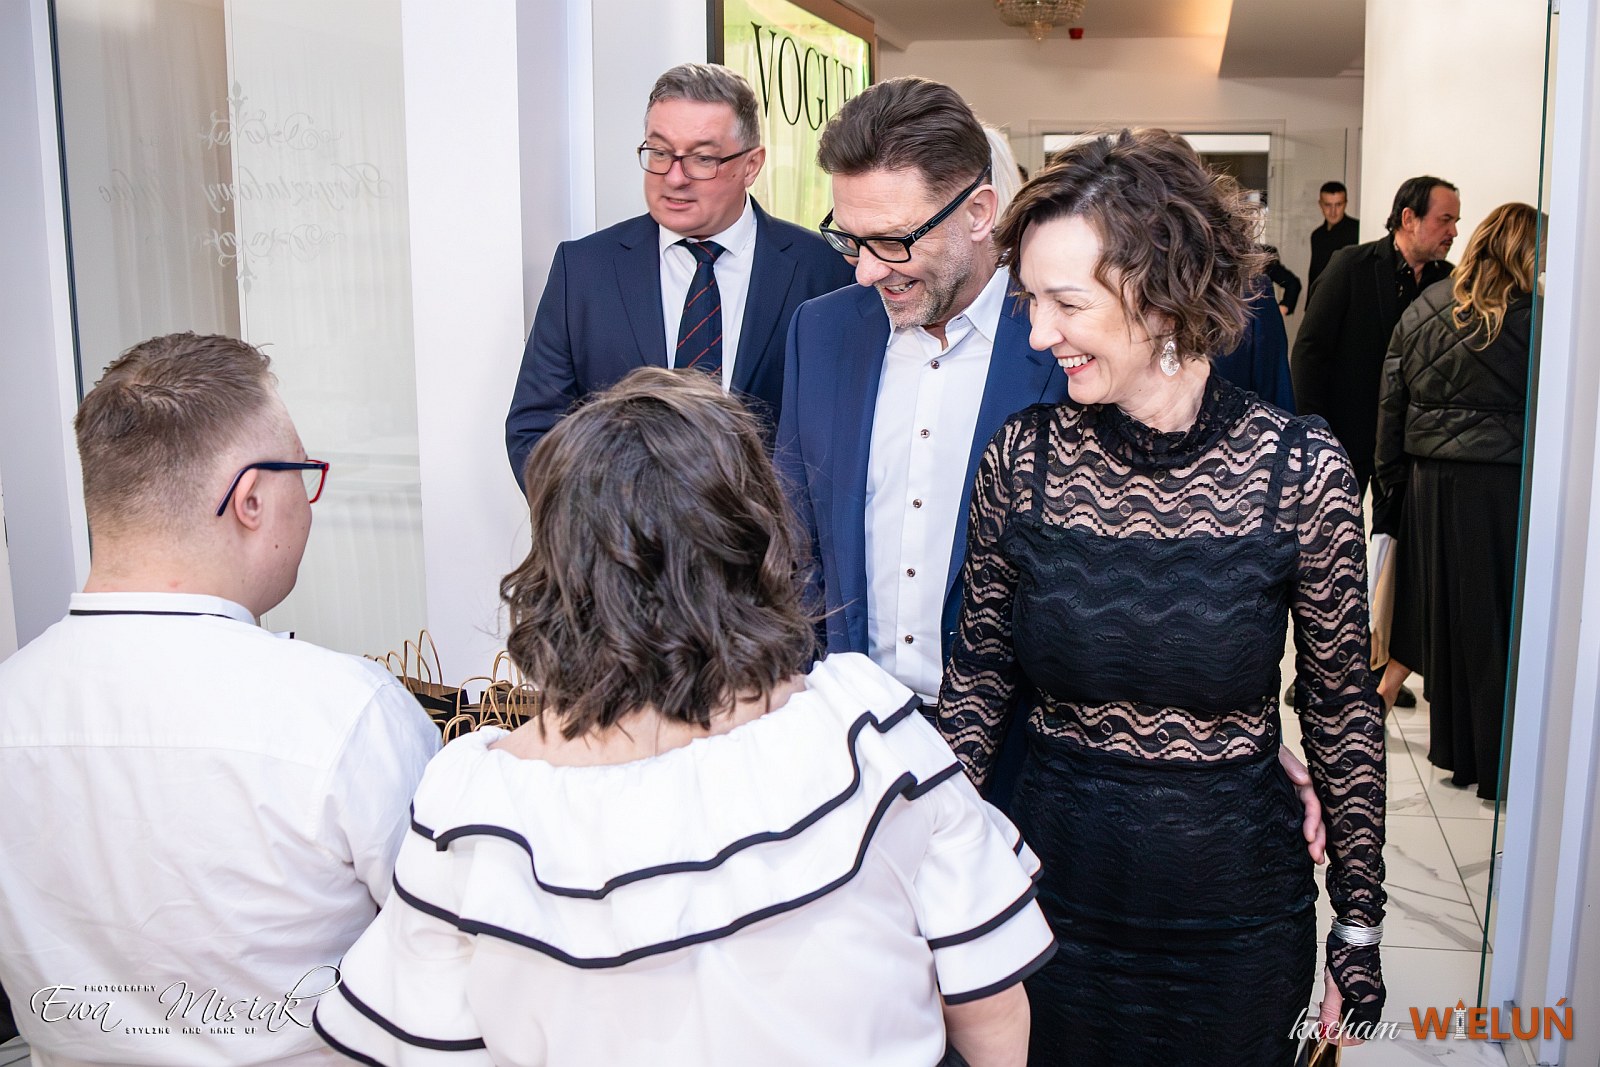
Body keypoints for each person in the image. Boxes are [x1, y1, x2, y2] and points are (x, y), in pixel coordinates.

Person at [315, 368, 1056, 1067]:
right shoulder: (865, 728)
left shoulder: (472, 808)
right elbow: (988, 1005)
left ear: (561, 567)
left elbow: (431, 1046)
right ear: (752, 540)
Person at [938, 130, 1388, 1066]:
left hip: (1236, 922)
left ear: (1162, 293)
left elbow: (1343, 708)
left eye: (1067, 303)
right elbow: (977, 682)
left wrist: (1358, 923)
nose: (1038, 334)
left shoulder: (1298, 471)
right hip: (1049, 906)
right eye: (1031, 301)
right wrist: (927, 874)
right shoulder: (1023, 461)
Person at [0, 333, 439, 1065]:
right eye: (304, 472)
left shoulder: (10, 705)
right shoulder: (346, 715)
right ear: (251, 499)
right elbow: (449, 955)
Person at [504, 62, 853, 485]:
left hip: (773, 526)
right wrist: (602, 519)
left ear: (751, 165)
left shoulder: (826, 270)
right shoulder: (583, 269)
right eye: (660, 152)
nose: (674, 178)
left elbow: (842, 434)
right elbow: (536, 430)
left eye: (702, 158)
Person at [1373, 203, 1541, 801]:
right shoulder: (1538, 318)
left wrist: (1390, 488)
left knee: (1447, 619)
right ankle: (1500, 763)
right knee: (1499, 624)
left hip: (1431, 484)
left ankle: (1460, 755)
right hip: (1506, 484)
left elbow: (1392, 401)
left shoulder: (1427, 306)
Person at [1292, 175, 1459, 503]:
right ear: (1409, 218)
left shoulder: (1449, 282)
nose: (1453, 231)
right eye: (1445, 220)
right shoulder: (1351, 266)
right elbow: (1309, 353)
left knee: (1399, 535)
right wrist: (1315, 433)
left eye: (1455, 221)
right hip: (1345, 439)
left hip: (1413, 447)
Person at [1308, 180, 1360, 289]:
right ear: (1320, 204)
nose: (1333, 211)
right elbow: (1314, 274)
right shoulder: (1317, 236)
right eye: (1328, 205)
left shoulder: (1357, 231)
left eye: (1338, 205)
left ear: (1345, 204)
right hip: (1322, 296)